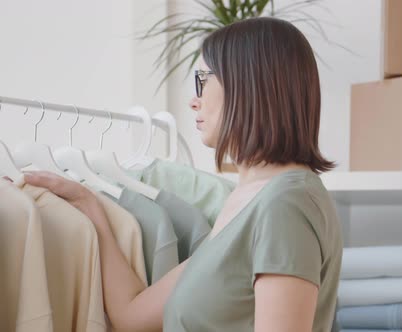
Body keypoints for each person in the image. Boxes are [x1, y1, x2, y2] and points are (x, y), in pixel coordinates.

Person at [24, 17, 343, 332]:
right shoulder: (250, 200)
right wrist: (89, 206)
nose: (194, 100)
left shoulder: (285, 205)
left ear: (248, 84)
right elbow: (132, 314)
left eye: (203, 80)